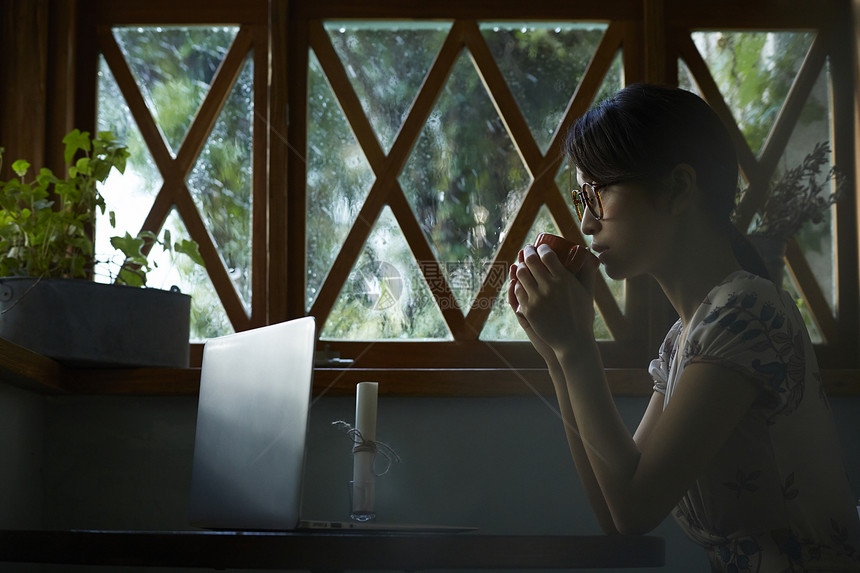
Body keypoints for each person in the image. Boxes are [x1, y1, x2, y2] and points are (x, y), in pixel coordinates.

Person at [509, 83, 860, 571]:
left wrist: (576, 349)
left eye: (598, 192)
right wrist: (555, 352)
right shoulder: (686, 340)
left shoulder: (746, 312)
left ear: (677, 188)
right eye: (580, 197)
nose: (587, 222)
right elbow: (615, 514)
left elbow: (635, 509)